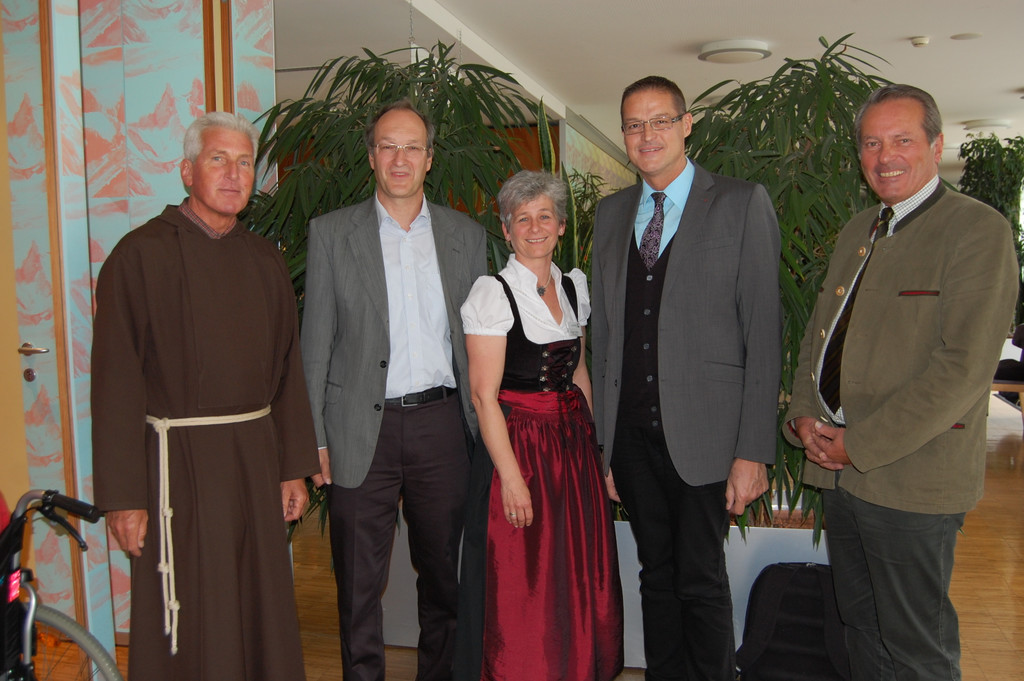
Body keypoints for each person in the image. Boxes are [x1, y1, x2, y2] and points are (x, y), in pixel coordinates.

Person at [784, 83, 1018, 681]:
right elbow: (820, 333)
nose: (885, 156)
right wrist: (805, 414)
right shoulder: (858, 229)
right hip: (839, 475)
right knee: (860, 628)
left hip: (913, 479)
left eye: (902, 140)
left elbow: (963, 368)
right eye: (871, 143)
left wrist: (857, 443)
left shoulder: (977, 230)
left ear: (936, 146)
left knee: (916, 648)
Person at [92, 111, 320, 680]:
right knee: (192, 607)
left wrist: (292, 468)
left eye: (244, 162)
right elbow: (115, 384)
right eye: (219, 159)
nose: (234, 174)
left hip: (254, 462)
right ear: (187, 171)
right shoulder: (138, 256)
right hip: (178, 470)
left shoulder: (265, 259)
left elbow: (288, 372)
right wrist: (123, 498)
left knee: (258, 601)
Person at [590, 75, 782, 680]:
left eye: (660, 121)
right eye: (634, 124)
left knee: (700, 579)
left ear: (686, 124)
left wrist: (753, 450)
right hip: (633, 440)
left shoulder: (740, 202)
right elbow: (605, 339)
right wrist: (607, 449)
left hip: (708, 437)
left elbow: (763, 333)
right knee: (655, 576)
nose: (647, 135)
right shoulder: (610, 214)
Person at [301, 99, 487, 681]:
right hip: (359, 431)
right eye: (388, 146)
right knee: (358, 588)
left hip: (442, 428)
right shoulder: (332, 234)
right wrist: (315, 440)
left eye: (412, 147)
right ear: (371, 157)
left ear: (429, 158)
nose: (399, 158)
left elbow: (480, 340)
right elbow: (315, 344)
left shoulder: (466, 235)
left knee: (445, 582)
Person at [453, 170, 624, 681]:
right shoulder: (492, 293)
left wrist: (598, 452)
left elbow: (579, 373)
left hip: (572, 448)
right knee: (524, 576)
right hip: (519, 446)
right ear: (506, 230)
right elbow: (483, 397)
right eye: (522, 219)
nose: (534, 228)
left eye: (544, 216)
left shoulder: (573, 286)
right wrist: (510, 478)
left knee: (571, 569)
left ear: (561, 225)